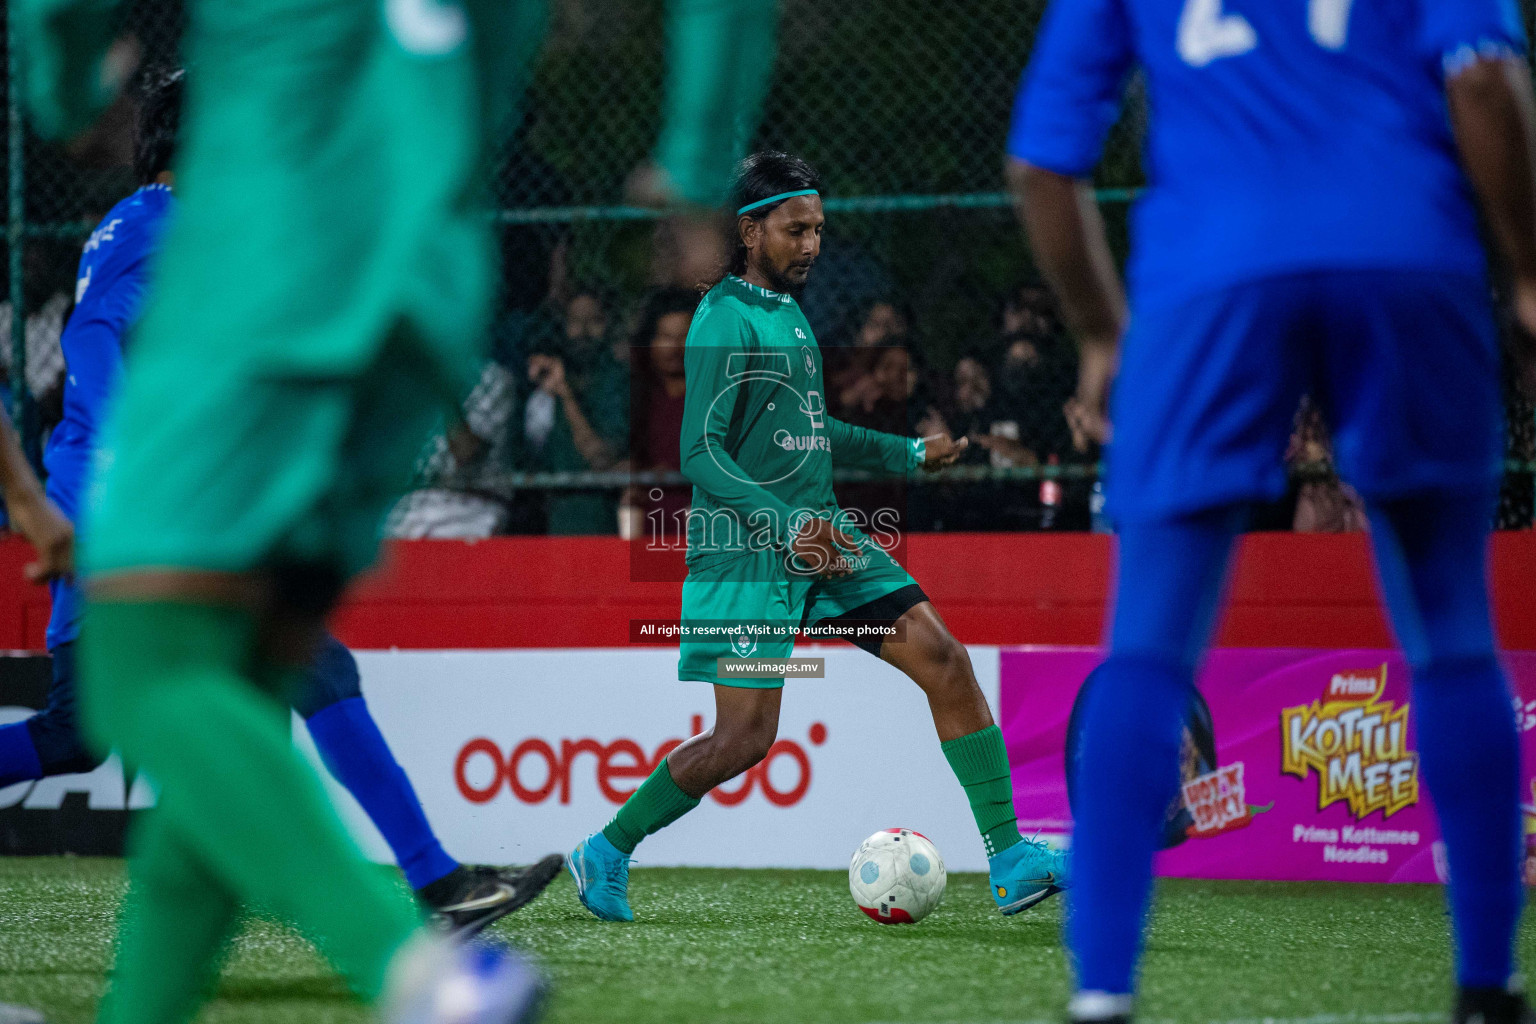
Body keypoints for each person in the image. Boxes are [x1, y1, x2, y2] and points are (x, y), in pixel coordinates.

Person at [15, 0, 782, 1018]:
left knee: (136, 682)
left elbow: (58, 29)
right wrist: (696, 156)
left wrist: (64, 83)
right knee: (243, 691)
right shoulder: (154, 225)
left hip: (276, 278)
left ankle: (416, 967)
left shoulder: (177, 211)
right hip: (431, 284)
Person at [1009, 0, 1534, 1020]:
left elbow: (1041, 164)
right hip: (1406, 257)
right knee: (1455, 637)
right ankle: (1485, 986)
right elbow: (1480, 78)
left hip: (1212, 280)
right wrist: (1526, 270)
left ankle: (1104, 993)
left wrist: (1103, 334)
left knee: (1151, 647)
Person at [0, 64, 562, 934]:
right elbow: (94, 339)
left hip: (123, 507)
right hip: (134, 513)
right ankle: (434, 888)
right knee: (313, 665)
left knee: (79, 732)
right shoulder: (167, 226)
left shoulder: (148, 224)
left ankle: (399, 884)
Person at [567, 151, 1069, 923]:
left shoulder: (791, 316)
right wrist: (786, 523)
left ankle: (1010, 859)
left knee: (944, 658)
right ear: (749, 229)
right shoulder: (720, 318)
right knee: (742, 740)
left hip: (828, 545)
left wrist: (904, 453)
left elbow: (811, 430)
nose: (811, 245)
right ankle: (605, 849)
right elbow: (701, 452)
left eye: (819, 230)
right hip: (746, 557)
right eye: (795, 230)